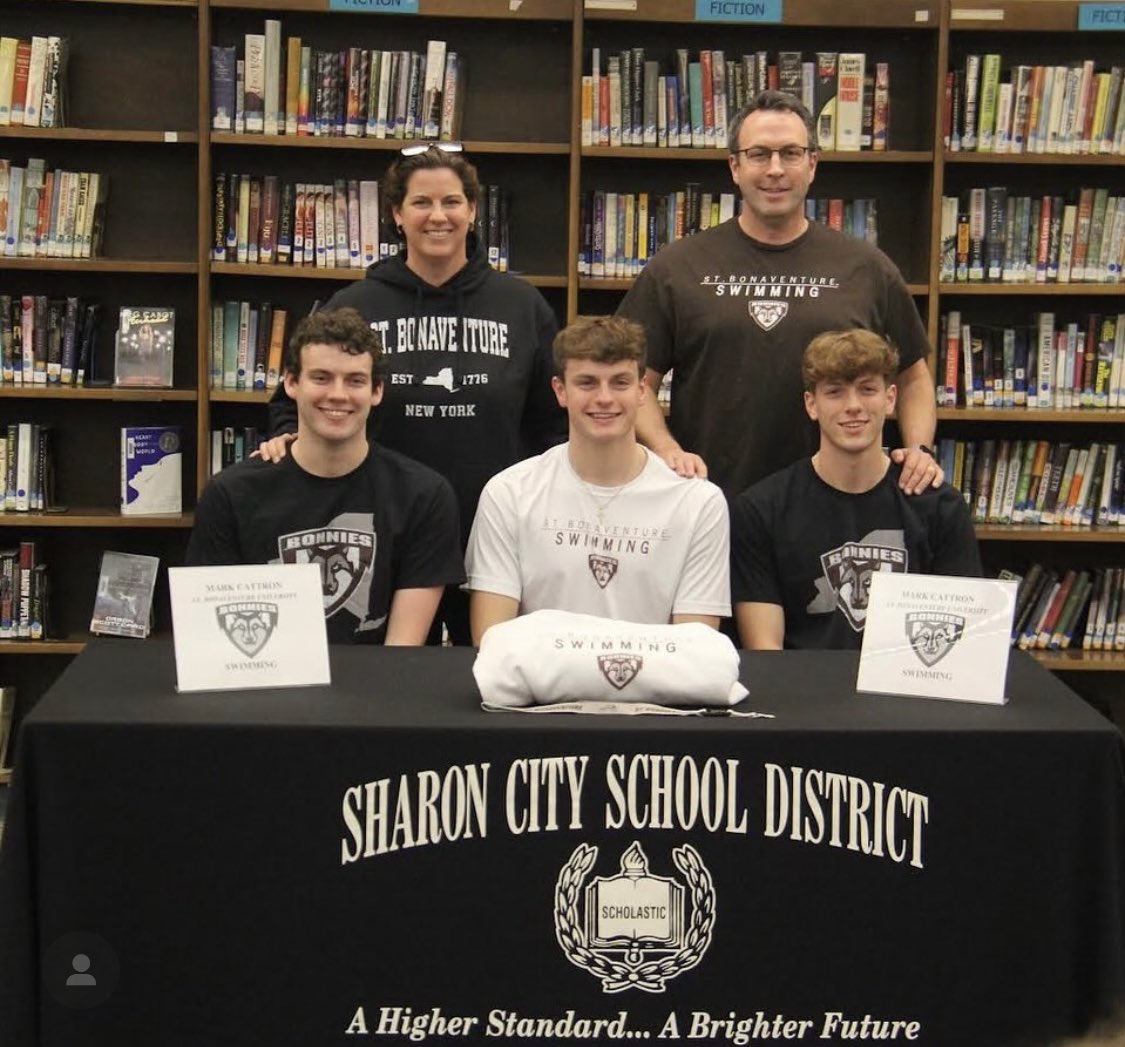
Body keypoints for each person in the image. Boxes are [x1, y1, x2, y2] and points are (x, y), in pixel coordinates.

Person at [259, 144, 565, 645]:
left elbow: (553, 423)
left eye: (451, 202)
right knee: (386, 690)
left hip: (493, 541)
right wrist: (285, 439)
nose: (438, 216)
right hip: (383, 537)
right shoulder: (356, 304)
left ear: (471, 209)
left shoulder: (522, 306)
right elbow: (292, 401)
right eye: (421, 203)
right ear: (397, 215)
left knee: (489, 686)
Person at [616, 90, 942, 500]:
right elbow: (633, 380)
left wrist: (918, 450)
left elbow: (913, 377)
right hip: (709, 499)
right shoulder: (677, 267)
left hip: (837, 505)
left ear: (812, 164)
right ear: (734, 166)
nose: (775, 169)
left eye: (790, 153)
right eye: (758, 154)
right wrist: (666, 452)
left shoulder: (866, 267)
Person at [187, 307, 464, 645]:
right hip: (270, 691)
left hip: (381, 692)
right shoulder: (229, 495)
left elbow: (401, 655)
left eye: (355, 380)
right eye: (321, 377)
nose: (337, 394)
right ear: (291, 383)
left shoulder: (425, 496)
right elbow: (218, 642)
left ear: (377, 391)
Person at [465, 316, 730, 644]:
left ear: (642, 390)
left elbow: (695, 649)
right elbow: (492, 644)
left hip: (655, 696)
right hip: (542, 694)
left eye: (620, 382)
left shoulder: (698, 503)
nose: (604, 398)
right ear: (560, 391)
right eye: (587, 383)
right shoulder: (508, 493)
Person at [731, 328, 981, 651]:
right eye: (835, 392)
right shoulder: (760, 510)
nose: (853, 406)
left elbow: (958, 643)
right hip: (803, 698)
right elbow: (765, 652)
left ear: (890, 398)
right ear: (811, 404)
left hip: (904, 697)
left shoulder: (940, 507)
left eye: (867, 390)